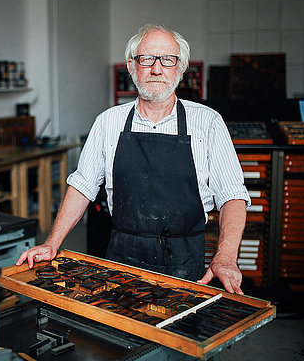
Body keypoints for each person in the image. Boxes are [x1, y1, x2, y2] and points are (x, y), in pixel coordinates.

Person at [17, 24, 250, 295]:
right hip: (122, 256)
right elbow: (82, 187)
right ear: (131, 66)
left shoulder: (208, 123)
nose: (157, 69)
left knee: (181, 332)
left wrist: (226, 257)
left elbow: (232, 196)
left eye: (168, 60)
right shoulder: (108, 122)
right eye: (146, 59)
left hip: (187, 262)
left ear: (181, 68)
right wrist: (52, 243)